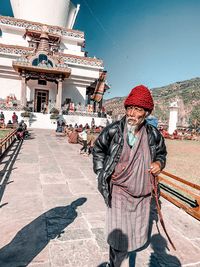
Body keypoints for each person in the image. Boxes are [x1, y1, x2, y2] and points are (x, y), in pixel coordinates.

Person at [92, 85, 167, 267]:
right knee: (118, 234)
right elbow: (98, 150)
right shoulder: (113, 130)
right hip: (118, 190)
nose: (132, 113)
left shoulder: (153, 135)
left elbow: (161, 154)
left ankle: (116, 260)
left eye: (138, 109)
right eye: (130, 108)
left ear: (147, 113)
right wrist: (102, 172)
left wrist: (158, 164)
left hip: (142, 195)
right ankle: (114, 263)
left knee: (135, 233)